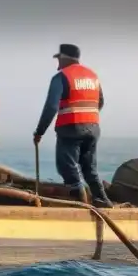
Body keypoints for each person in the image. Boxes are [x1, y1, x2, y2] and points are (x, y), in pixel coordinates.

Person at [33, 43, 111, 207]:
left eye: (59, 59)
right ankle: (102, 199)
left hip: (70, 127)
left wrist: (39, 131)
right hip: (93, 127)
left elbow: (51, 107)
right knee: (89, 168)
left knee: (66, 165)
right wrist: (89, 117)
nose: (58, 63)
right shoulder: (92, 76)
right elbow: (101, 101)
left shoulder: (61, 77)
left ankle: (79, 196)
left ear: (64, 58)